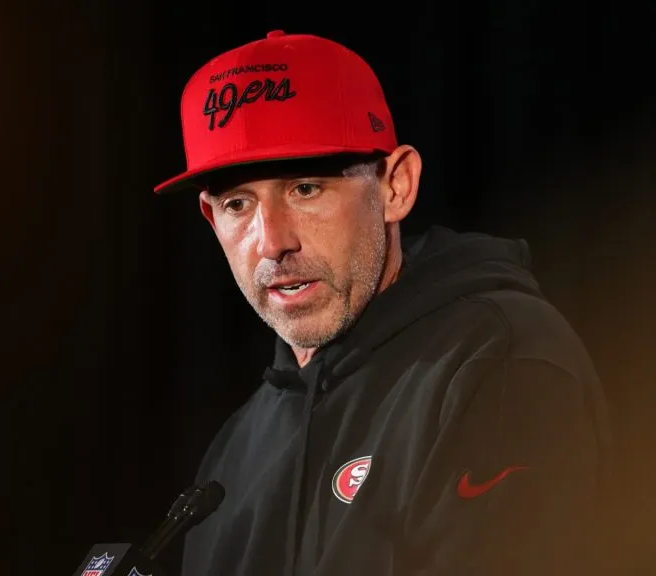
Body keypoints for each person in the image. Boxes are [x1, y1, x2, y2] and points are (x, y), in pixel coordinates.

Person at [153, 30, 614, 576]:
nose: (272, 241)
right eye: (238, 203)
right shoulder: (232, 457)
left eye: (306, 189)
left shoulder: (501, 360)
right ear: (212, 219)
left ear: (395, 185)